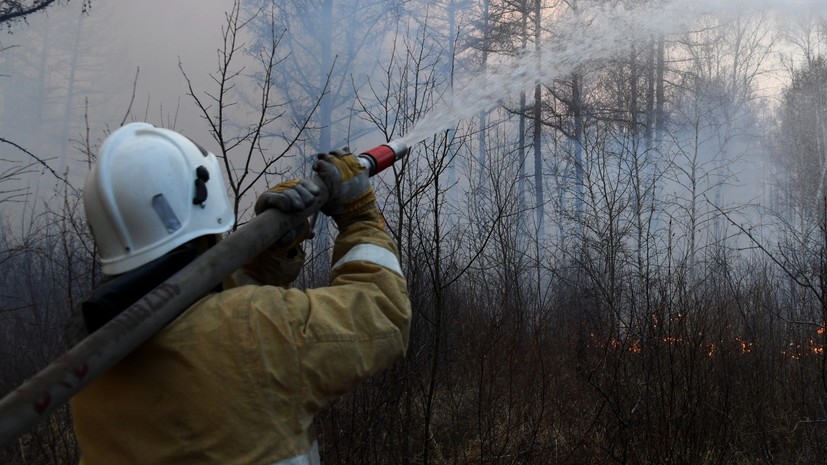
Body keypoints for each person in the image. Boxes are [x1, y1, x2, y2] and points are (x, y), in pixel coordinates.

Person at [70, 122, 411, 465]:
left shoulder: (90, 361)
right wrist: (360, 217)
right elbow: (382, 314)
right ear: (204, 196)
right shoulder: (254, 326)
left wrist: (271, 252)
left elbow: (203, 318)